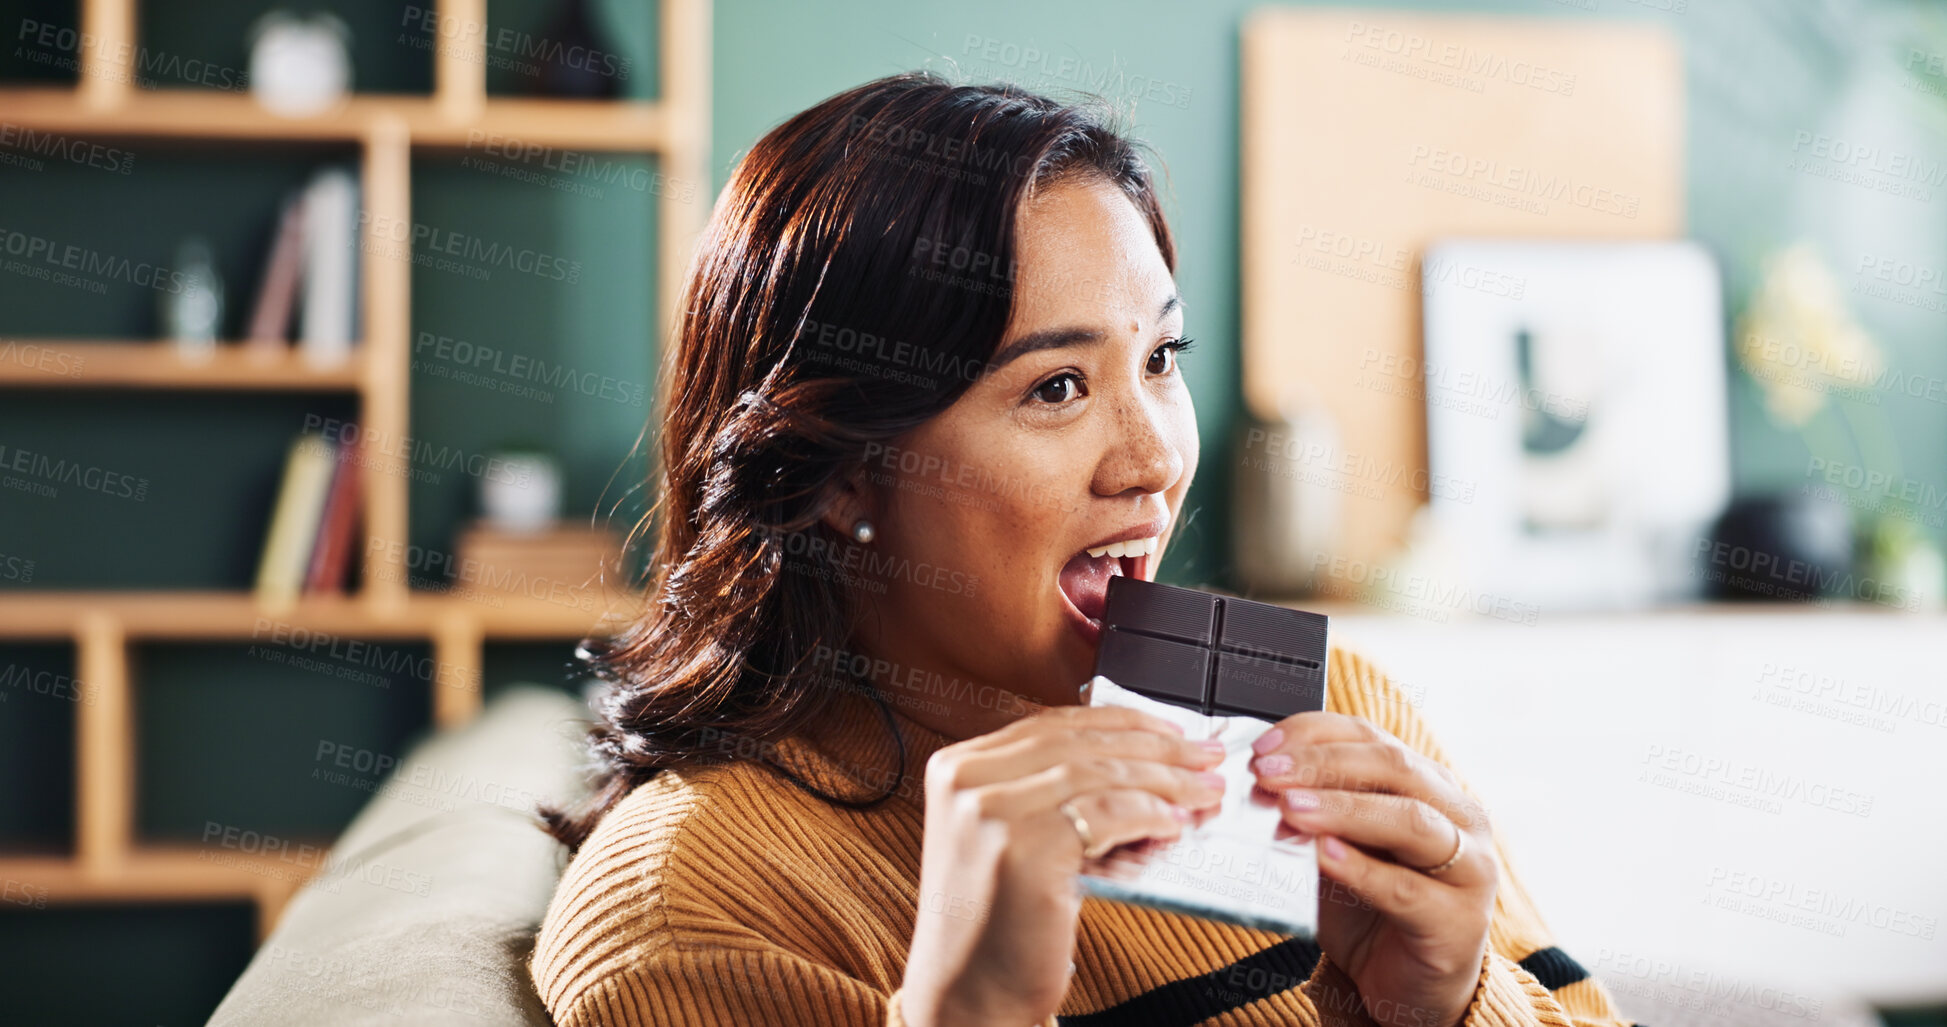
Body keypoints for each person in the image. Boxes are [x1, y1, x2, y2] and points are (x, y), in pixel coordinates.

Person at [530, 72, 1631, 1027]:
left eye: (1161, 357)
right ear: (839, 473)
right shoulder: (691, 909)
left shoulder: (1331, 709)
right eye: (1057, 387)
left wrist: (1448, 1001)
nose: (1155, 458)